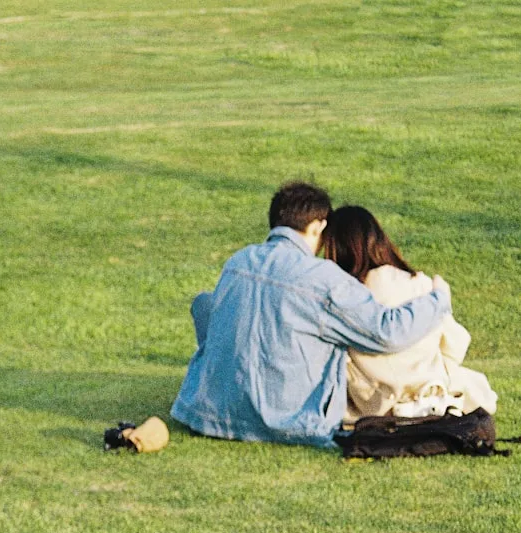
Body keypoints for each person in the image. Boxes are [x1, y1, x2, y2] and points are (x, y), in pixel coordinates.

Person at [171, 182, 453, 448]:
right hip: (291, 424)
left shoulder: (238, 262)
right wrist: (437, 298)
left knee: (206, 302)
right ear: (319, 226)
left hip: (209, 416)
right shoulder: (322, 278)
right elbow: (386, 331)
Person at [320, 205, 497, 424]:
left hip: (375, 403)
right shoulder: (420, 286)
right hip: (429, 389)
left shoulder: (342, 298)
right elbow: (455, 343)